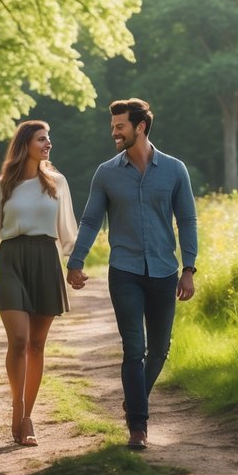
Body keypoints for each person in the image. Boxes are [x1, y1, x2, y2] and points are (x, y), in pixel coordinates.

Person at [66, 99, 197, 450]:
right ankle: (138, 425)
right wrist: (76, 261)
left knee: (160, 349)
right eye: (113, 127)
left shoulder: (174, 170)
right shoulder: (106, 172)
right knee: (133, 348)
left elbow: (186, 220)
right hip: (123, 270)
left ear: (140, 127)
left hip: (164, 270)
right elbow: (91, 219)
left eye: (120, 126)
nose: (114, 132)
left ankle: (134, 397)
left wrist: (189, 269)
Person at [0, 120, 78, 447]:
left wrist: (75, 265)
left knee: (37, 344)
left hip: (46, 261)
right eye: (41, 139)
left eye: (49, 139)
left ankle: (28, 416)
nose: (48, 144)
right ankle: (16, 407)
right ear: (25, 144)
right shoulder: (1, 185)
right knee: (18, 340)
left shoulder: (57, 183)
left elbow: (67, 229)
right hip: (11, 260)